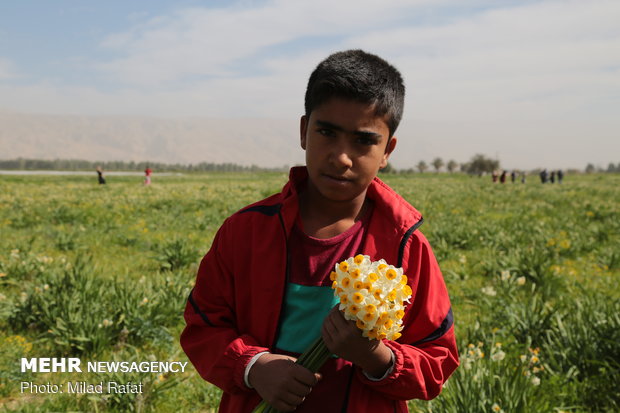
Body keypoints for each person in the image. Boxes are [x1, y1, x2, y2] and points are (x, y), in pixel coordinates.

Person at [180, 50, 459, 413]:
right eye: (327, 132)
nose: (341, 157)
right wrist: (253, 366)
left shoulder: (404, 246)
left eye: (363, 141)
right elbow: (203, 327)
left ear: (387, 150)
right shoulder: (245, 232)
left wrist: (375, 356)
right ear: (303, 131)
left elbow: (437, 358)